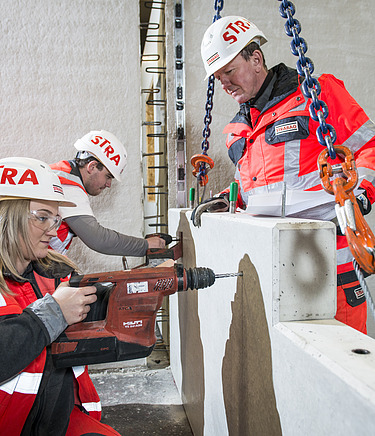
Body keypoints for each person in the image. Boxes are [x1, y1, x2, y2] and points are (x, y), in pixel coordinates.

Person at [196, 15, 375, 334]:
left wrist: (359, 194)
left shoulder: (316, 96)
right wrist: (227, 198)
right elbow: (254, 183)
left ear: (255, 59)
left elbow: (369, 145)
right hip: (273, 264)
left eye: (229, 71)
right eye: (218, 77)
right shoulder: (237, 130)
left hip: (330, 260)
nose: (224, 84)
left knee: (340, 360)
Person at [0, 157, 120, 435]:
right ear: (6, 217)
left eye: (55, 219)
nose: (54, 231)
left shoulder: (54, 271)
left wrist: (128, 295)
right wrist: (52, 313)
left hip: (59, 422)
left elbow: (85, 316)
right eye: (42, 217)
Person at [50, 129, 165, 257]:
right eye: (108, 176)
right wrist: (146, 245)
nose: (108, 184)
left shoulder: (62, 173)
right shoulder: (67, 185)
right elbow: (98, 239)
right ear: (92, 167)